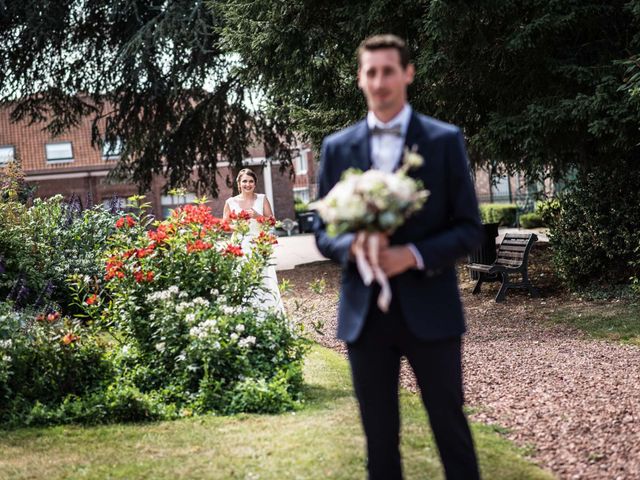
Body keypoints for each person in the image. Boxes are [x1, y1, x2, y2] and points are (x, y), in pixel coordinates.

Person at [314, 34, 483, 480]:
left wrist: (412, 254)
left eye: (389, 70)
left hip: (432, 310)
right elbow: (321, 230)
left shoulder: (443, 140)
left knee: (451, 430)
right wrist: (350, 247)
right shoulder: (337, 147)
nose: (380, 81)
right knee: (379, 441)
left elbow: (468, 228)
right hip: (364, 315)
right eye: (371, 72)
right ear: (359, 79)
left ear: (407, 73)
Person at [223, 168, 283, 312]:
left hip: (259, 244)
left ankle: (267, 313)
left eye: (251, 181)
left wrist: (257, 216)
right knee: (241, 277)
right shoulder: (230, 202)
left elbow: (272, 221)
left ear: (255, 184)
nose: (247, 184)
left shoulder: (262, 199)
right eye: (244, 181)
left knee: (263, 278)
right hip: (239, 245)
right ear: (239, 183)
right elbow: (224, 226)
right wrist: (238, 226)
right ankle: (243, 313)